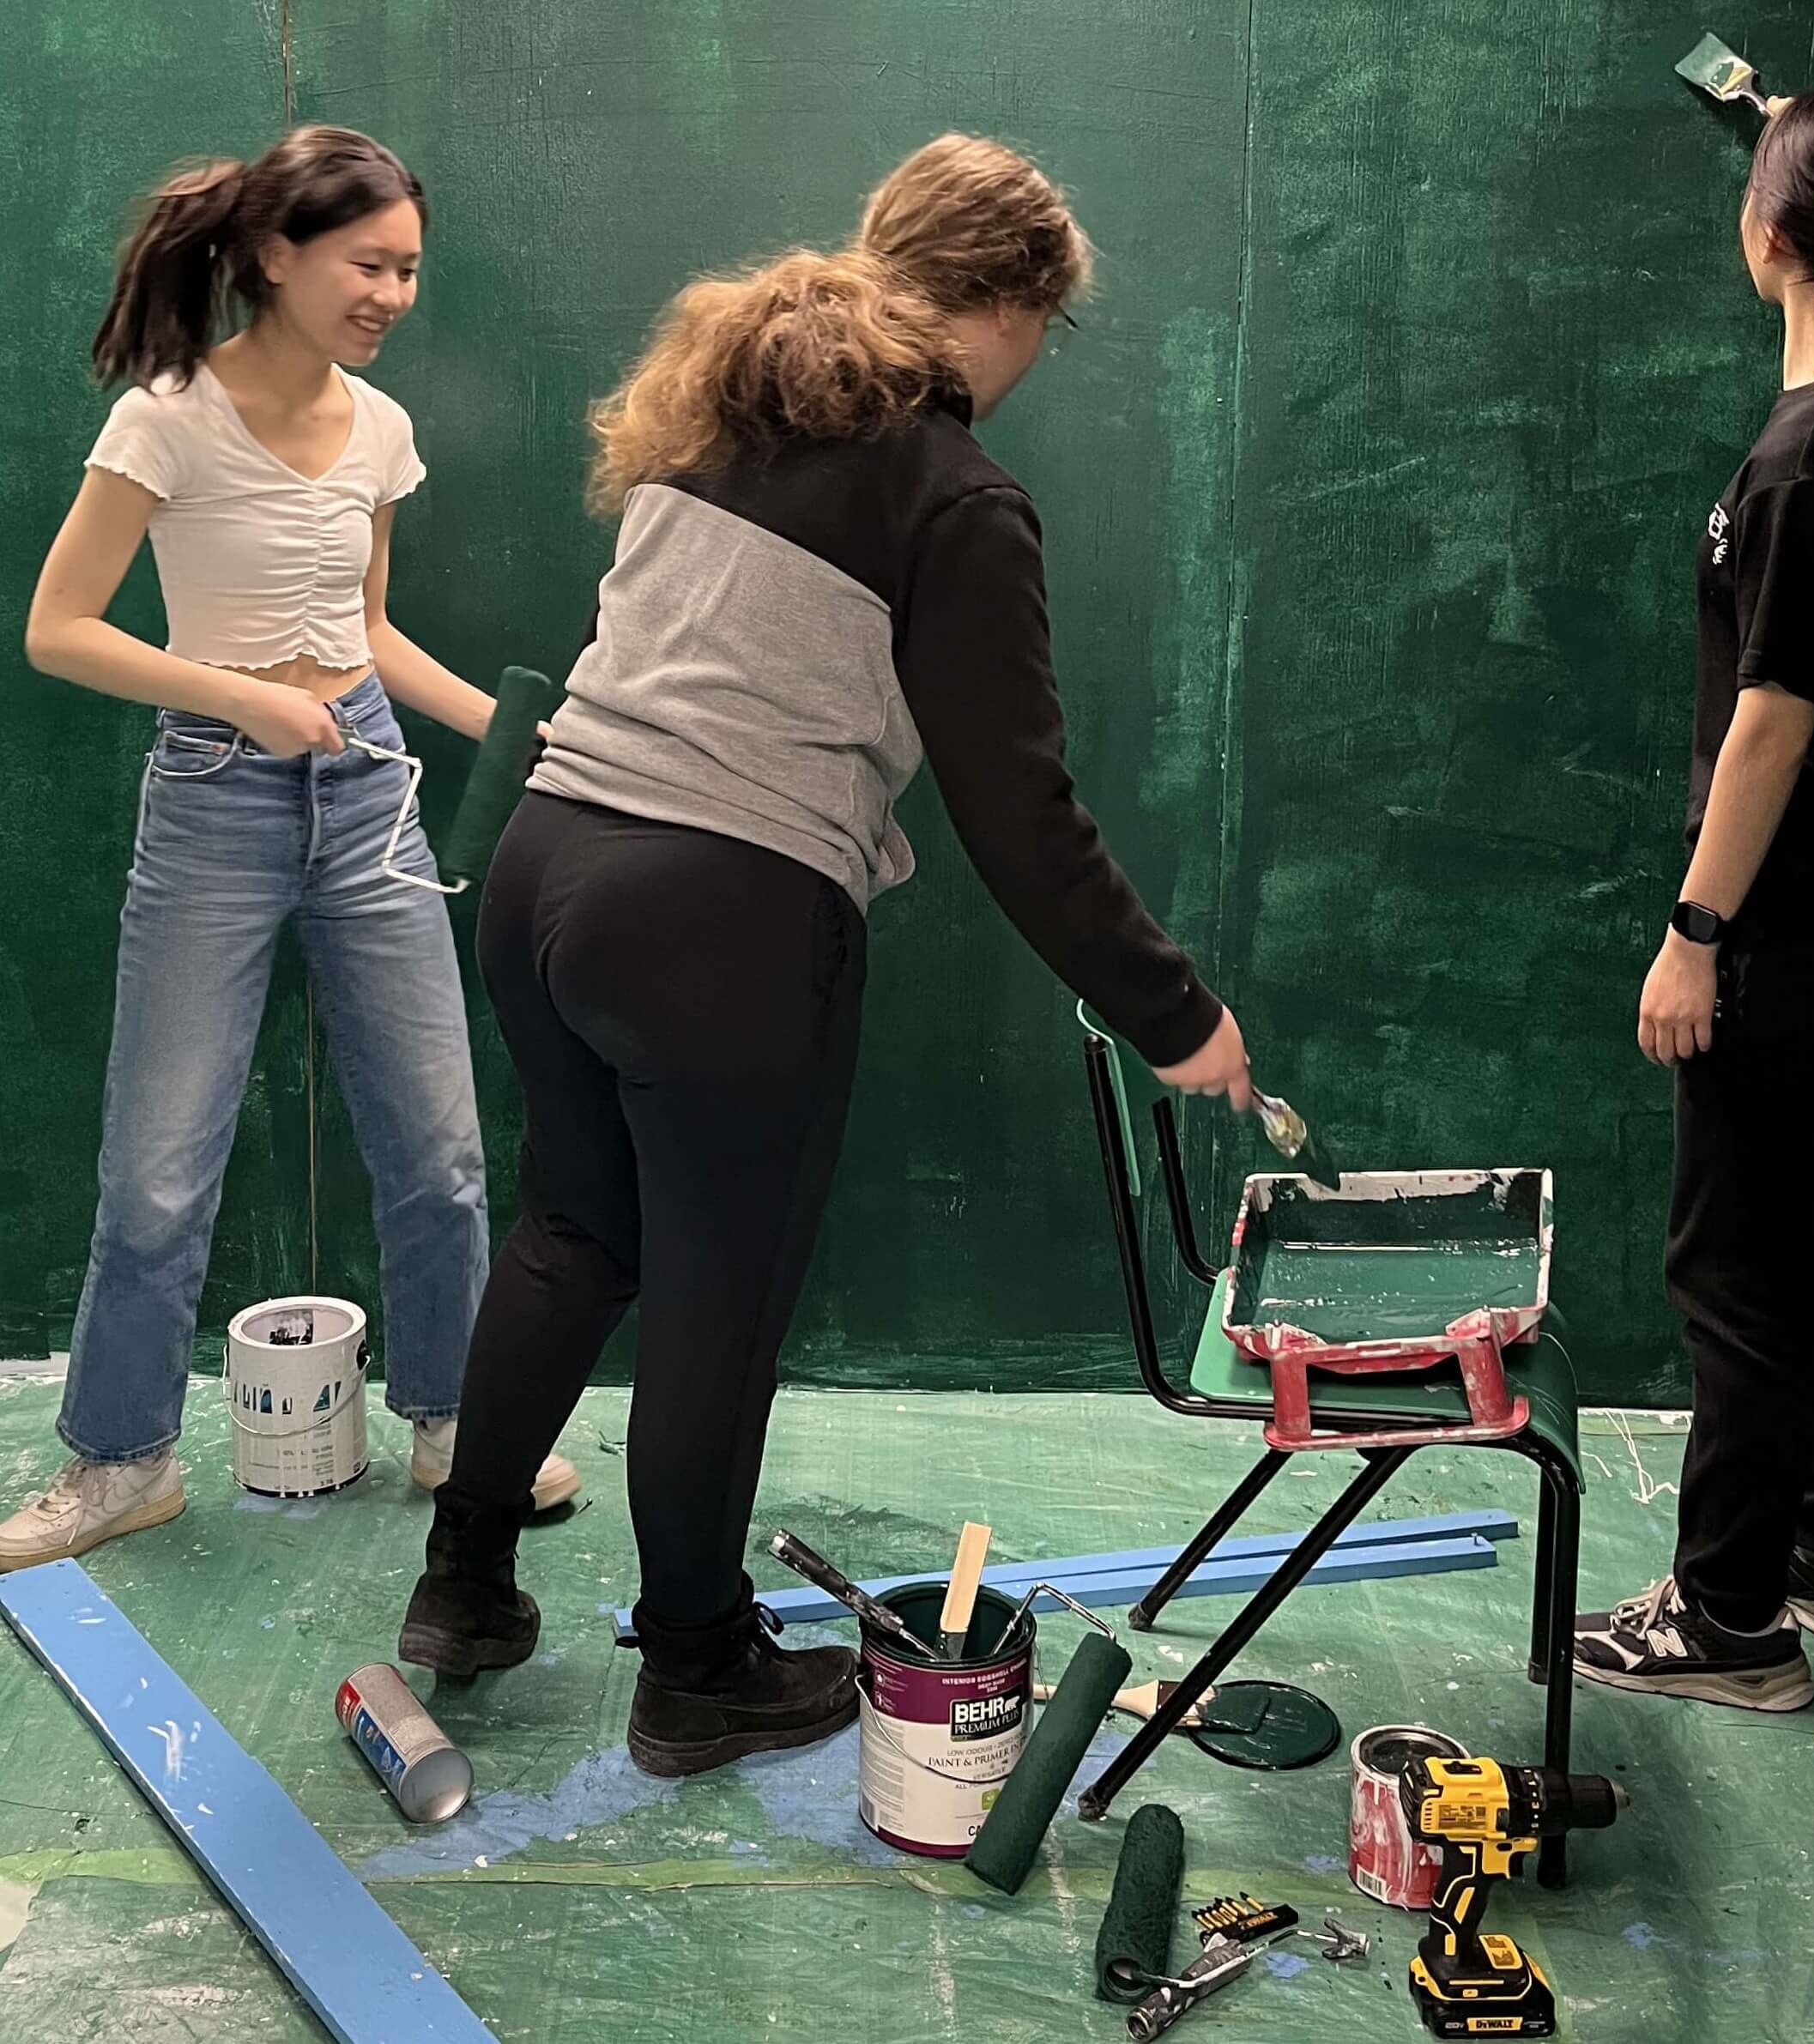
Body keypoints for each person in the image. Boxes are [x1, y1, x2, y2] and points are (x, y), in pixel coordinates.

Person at [398, 134, 1252, 1775]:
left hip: (545, 862)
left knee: (574, 1230)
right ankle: (699, 1667)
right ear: (1005, 305)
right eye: (1042, 329)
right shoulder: (960, 494)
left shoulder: (719, 422)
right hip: (715, 916)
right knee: (719, 1295)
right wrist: (1174, 1012)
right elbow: (1022, 811)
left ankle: (467, 1583)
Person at [3, 125, 578, 1573]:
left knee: (441, 1152)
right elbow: (58, 630)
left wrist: (544, 736)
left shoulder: (378, 430)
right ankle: (123, 1461)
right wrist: (246, 699)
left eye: (408, 271)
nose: (391, 293)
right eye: (367, 264)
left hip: (367, 784)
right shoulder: (168, 416)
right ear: (275, 254)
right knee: (155, 1167)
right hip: (215, 794)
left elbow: (371, 634)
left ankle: (455, 1425)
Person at [1575, 87, 1814, 1710]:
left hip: (1786, 927)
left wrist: (1695, 934)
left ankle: (1727, 1619)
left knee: (1734, 1263)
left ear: (1776, 239)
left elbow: (1772, 718)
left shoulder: (1807, 460)